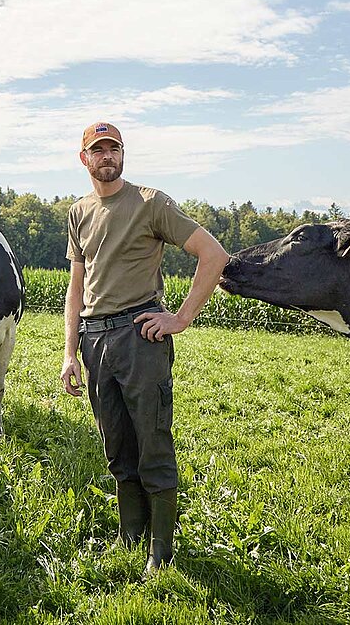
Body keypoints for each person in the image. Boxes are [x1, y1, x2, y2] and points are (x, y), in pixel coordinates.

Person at [60, 121, 229, 573]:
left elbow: (213, 255)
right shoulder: (78, 212)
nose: (107, 156)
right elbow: (76, 287)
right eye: (98, 150)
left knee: (152, 440)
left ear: (123, 153)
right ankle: (129, 533)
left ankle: (161, 548)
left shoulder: (151, 203)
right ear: (84, 159)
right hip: (94, 340)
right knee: (116, 444)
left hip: (140, 336)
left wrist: (181, 317)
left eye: (114, 148)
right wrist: (70, 352)